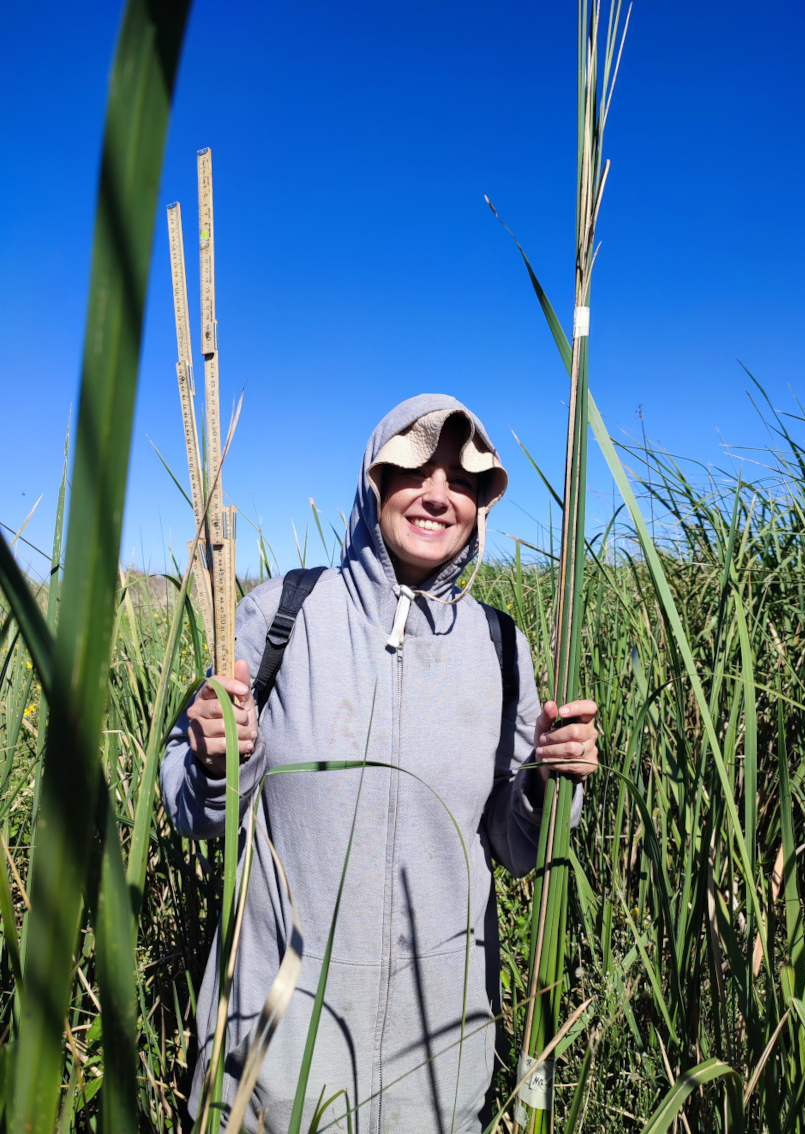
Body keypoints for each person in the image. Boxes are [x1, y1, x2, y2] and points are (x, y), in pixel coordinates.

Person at [161, 393, 599, 1134]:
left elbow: (519, 849)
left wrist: (550, 783)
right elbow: (191, 805)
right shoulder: (283, 614)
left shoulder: (502, 648)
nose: (436, 494)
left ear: (481, 505)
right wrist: (215, 756)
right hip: (272, 1070)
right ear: (371, 484)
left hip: (439, 1075)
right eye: (413, 471)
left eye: (461, 480)